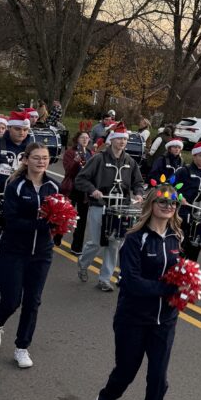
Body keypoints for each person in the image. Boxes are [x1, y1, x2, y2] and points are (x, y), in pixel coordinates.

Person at [92, 184, 184, 400]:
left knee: (158, 378)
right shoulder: (135, 238)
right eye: (162, 202)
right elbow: (131, 282)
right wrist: (167, 289)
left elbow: (181, 273)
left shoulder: (177, 238)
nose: (168, 206)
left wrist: (187, 286)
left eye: (173, 203)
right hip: (132, 318)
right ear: (151, 204)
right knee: (126, 371)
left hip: (165, 320)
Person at [0, 143, 59, 367]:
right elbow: (11, 221)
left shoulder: (54, 186)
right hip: (13, 251)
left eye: (45, 158)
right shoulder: (15, 185)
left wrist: (60, 224)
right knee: (11, 300)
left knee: (33, 302)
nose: (41, 161)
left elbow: (60, 214)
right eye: (36, 157)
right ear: (26, 159)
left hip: (41, 254)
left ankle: (22, 347)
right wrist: (41, 224)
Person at [75, 122, 145, 292]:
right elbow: (81, 179)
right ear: (112, 140)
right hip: (100, 205)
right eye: (119, 138)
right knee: (96, 243)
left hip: (120, 209)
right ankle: (83, 263)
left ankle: (104, 279)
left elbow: (138, 182)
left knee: (114, 244)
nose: (122, 142)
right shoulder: (98, 158)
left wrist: (138, 193)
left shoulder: (130, 161)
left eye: (125, 139)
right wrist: (93, 190)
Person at [61, 130, 93, 255]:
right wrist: (75, 161)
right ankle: (57, 237)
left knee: (82, 220)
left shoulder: (90, 153)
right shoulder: (70, 152)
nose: (85, 139)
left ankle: (77, 247)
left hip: (84, 190)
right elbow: (68, 171)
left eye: (87, 138)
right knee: (64, 216)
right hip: (71, 188)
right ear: (77, 139)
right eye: (82, 137)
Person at [0, 110, 32, 193]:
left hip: (22, 192)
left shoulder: (32, 148)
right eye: (17, 129)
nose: (22, 132)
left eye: (25, 129)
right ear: (9, 128)